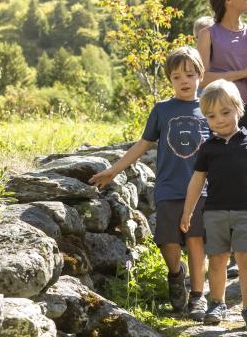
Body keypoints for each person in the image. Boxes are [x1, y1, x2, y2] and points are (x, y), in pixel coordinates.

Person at [89, 46, 209, 320]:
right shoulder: (162, 110)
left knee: (195, 240)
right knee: (168, 241)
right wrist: (113, 170)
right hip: (168, 187)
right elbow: (142, 145)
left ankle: (198, 296)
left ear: (200, 76)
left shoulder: (208, 106)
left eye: (189, 74)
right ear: (169, 80)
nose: (184, 81)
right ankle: (176, 274)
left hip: (201, 188)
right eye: (177, 76)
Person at [197, 0, 247, 278]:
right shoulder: (209, 34)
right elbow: (202, 77)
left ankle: (246, 241)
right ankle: (224, 250)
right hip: (220, 115)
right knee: (224, 177)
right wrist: (242, 72)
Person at [180, 79, 247, 331]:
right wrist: (188, 211)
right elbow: (197, 182)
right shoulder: (208, 148)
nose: (219, 120)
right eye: (211, 116)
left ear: (239, 108)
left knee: (246, 260)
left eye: (225, 112)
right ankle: (217, 303)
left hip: (246, 211)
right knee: (217, 259)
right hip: (215, 213)